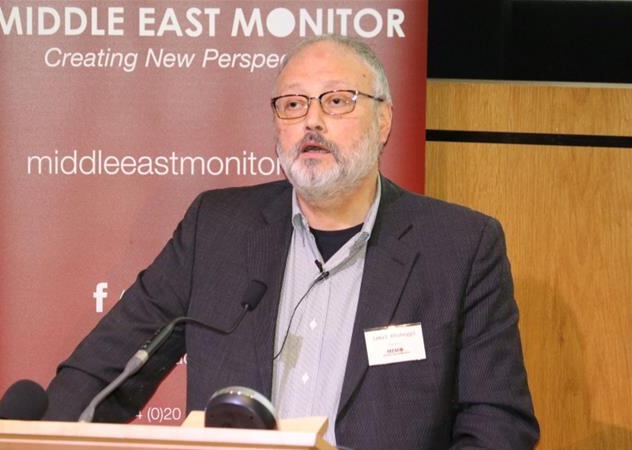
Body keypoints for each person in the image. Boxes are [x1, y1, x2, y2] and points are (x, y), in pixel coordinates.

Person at [43, 34, 540, 449]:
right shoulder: (216, 230)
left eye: (337, 101)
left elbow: (498, 427)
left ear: (384, 120)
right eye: (293, 105)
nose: (311, 122)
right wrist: (38, 434)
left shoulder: (460, 247)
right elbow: (101, 374)